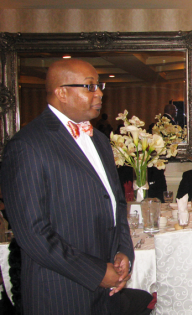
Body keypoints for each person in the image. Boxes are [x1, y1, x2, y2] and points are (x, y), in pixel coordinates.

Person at [0, 59, 152, 315]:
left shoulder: (101, 141)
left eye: (99, 85)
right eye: (90, 87)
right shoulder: (27, 145)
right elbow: (33, 234)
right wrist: (95, 272)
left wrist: (123, 251)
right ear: (62, 92)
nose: (100, 92)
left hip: (105, 293)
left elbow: (116, 203)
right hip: (60, 292)